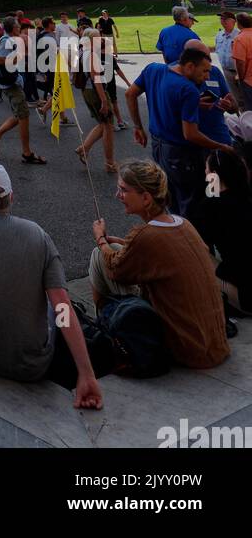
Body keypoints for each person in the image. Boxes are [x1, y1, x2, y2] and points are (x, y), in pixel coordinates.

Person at [0, 162, 103, 408]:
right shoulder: (37, 235)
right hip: (30, 365)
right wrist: (86, 373)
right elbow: (62, 307)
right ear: (11, 197)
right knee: (59, 303)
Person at [90, 160, 230, 369]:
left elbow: (114, 269)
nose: (118, 196)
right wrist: (123, 244)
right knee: (113, 252)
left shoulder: (145, 235)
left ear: (146, 198)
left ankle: (106, 331)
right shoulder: (183, 223)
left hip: (186, 348)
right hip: (215, 343)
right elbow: (157, 251)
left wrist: (100, 238)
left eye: (123, 190)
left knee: (98, 257)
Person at [125, 43, 231, 224]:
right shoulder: (187, 89)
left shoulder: (153, 69)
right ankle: (195, 240)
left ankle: (176, 229)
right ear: (190, 66)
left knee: (171, 194)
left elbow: (130, 93)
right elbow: (191, 134)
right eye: (204, 71)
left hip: (159, 146)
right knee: (194, 200)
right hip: (182, 154)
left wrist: (138, 126)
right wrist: (222, 147)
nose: (207, 76)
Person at [0, 19, 46, 165]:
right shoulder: (7, 40)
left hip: (11, 82)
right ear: (13, 28)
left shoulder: (8, 39)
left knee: (20, 114)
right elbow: (0, 60)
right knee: (24, 116)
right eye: (18, 26)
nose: (20, 28)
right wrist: (19, 57)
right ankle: (27, 153)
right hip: (11, 85)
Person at [204, 148, 252, 317]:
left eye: (207, 170)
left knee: (196, 252)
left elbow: (199, 245)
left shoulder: (211, 208)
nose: (205, 175)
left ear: (215, 175)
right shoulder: (245, 196)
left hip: (245, 298)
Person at [74, 26, 117, 174]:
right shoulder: (91, 55)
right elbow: (96, 79)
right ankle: (110, 163)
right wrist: (104, 101)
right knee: (108, 126)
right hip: (95, 92)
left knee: (103, 123)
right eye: (98, 37)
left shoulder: (81, 52)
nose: (101, 39)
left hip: (87, 91)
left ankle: (83, 149)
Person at [233, 12, 252, 111]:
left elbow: (240, 63)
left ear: (239, 24)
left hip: (249, 81)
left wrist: (240, 78)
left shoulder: (240, 39)